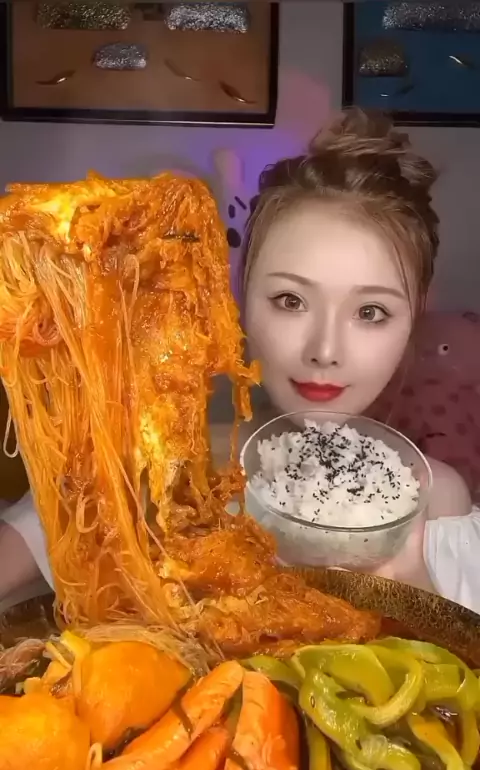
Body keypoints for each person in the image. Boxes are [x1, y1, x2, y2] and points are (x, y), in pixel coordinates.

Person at [1, 110, 478, 608]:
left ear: (412, 321)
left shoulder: (438, 498)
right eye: (290, 300)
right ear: (240, 301)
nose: (325, 351)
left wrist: (411, 587)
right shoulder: (153, 465)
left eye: (370, 312)